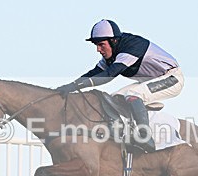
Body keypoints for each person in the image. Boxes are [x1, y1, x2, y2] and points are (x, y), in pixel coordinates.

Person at [55, 19, 184, 153]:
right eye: (96, 45)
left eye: (101, 45)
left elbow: (109, 74)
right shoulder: (113, 52)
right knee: (114, 98)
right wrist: (71, 85)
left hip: (172, 78)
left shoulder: (132, 46)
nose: (98, 50)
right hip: (152, 80)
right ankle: (127, 134)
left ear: (114, 41)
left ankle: (145, 137)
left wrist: (75, 87)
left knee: (133, 94)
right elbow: (95, 72)